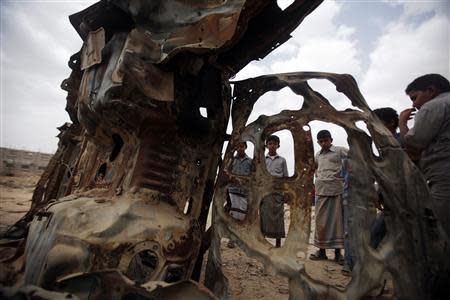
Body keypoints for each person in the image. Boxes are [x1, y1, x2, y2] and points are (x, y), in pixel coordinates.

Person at [399, 73, 450, 239]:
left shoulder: (433, 106)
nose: (414, 105)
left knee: (438, 232)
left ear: (431, 90)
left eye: (415, 98)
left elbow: (413, 144)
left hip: (444, 176)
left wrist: (402, 122)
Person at [310, 130, 347, 261]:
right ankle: (321, 251)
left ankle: (338, 253)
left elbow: (353, 159)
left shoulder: (339, 151)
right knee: (321, 222)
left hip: (336, 189)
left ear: (331, 139)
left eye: (326, 140)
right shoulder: (317, 155)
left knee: (337, 222)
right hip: (321, 190)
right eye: (321, 141)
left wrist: (343, 175)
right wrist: (317, 175)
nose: (324, 143)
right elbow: (313, 167)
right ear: (318, 142)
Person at [260, 135, 288, 248]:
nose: (272, 146)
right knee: (263, 216)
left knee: (278, 216)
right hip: (264, 192)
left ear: (278, 145)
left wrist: (286, 193)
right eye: (270, 143)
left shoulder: (282, 160)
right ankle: (263, 240)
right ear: (266, 145)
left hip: (277, 193)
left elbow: (285, 177)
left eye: (274, 144)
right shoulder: (262, 159)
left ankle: (278, 242)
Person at [227, 142, 252, 247]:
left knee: (242, 216)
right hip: (232, 191)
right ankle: (231, 239)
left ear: (245, 147)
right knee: (232, 216)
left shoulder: (250, 161)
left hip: (244, 192)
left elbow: (252, 176)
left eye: (242, 146)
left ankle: (239, 238)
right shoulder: (231, 160)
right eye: (238, 146)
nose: (240, 148)